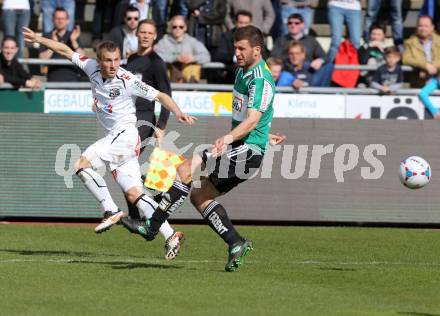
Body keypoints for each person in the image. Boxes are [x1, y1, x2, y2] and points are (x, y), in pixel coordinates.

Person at [118, 25, 286, 272]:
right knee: (199, 196)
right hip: (244, 147)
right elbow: (253, 118)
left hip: (247, 150)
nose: (236, 53)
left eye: (242, 48)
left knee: (187, 169)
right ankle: (235, 242)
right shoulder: (243, 72)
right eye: (235, 47)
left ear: (257, 50)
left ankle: (152, 226)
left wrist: (231, 138)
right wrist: (265, 133)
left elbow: (252, 120)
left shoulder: (260, 79)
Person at [23, 26, 196, 260]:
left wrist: (178, 112)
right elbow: (64, 50)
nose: (113, 65)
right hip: (121, 142)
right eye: (108, 60)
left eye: (116, 60)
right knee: (135, 194)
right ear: (99, 60)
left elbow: (161, 95)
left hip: (125, 135)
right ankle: (170, 234)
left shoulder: (127, 79)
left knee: (81, 165)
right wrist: (38, 38)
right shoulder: (90, 66)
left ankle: (111, 209)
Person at [124, 19, 171, 219]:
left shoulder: (156, 63)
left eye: (149, 33)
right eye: (142, 32)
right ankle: (143, 209)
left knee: (126, 163)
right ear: (137, 34)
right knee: (126, 166)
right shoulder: (131, 60)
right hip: (128, 118)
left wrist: (161, 125)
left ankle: (139, 213)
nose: (145, 35)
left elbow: (166, 95)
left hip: (144, 120)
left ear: (154, 36)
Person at [155, 15, 211, 83]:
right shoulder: (163, 42)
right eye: (174, 27)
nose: (178, 29)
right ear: (170, 28)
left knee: (192, 67)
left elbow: (206, 56)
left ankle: (191, 88)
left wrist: (193, 58)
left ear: (185, 28)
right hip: (169, 77)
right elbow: (156, 56)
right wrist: (175, 58)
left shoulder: (192, 41)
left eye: (181, 27)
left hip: (187, 77)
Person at [39, 7, 85, 82]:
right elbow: (42, 59)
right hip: (53, 76)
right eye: (57, 18)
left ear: (67, 21)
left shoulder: (73, 35)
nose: (60, 21)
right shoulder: (47, 36)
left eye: (63, 18)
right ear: (53, 20)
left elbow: (83, 58)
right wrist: (53, 45)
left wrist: (74, 42)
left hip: (73, 76)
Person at [212, 10, 253, 84]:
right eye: (241, 23)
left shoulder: (255, 37)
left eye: (246, 23)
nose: (243, 26)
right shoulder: (226, 36)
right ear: (235, 23)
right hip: (231, 75)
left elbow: (263, 54)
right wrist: (236, 57)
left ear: (250, 24)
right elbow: (219, 55)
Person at [402, 15, 440, 88]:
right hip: (419, 84)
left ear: (432, 27)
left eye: (426, 26)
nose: (423, 29)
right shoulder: (409, 42)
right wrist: (425, 65)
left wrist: (432, 67)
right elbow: (406, 59)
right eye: (420, 26)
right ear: (417, 27)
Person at [358, 23, 386, 87]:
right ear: (369, 35)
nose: (375, 37)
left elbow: (390, 63)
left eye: (379, 35)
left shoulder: (388, 49)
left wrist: (383, 51)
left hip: (382, 80)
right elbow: (363, 62)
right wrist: (369, 48)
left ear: (384, 36)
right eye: (373, 34)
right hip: (365, 80)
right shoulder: (363, 48)